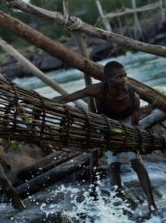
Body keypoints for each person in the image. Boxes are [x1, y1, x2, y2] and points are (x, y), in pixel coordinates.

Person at [56, 61, 158, 215]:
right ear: (108, 79)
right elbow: (68, 98)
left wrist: (126, 141)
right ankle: (120, 203)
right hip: (106, 124)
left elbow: (134, 126)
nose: (123, 80)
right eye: (119, 77)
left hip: (126, 122)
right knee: (114, 164)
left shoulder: (133, 97)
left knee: (135, 160)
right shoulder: (97, 90)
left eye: (125, 75)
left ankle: (152, 205)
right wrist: (47, 103)